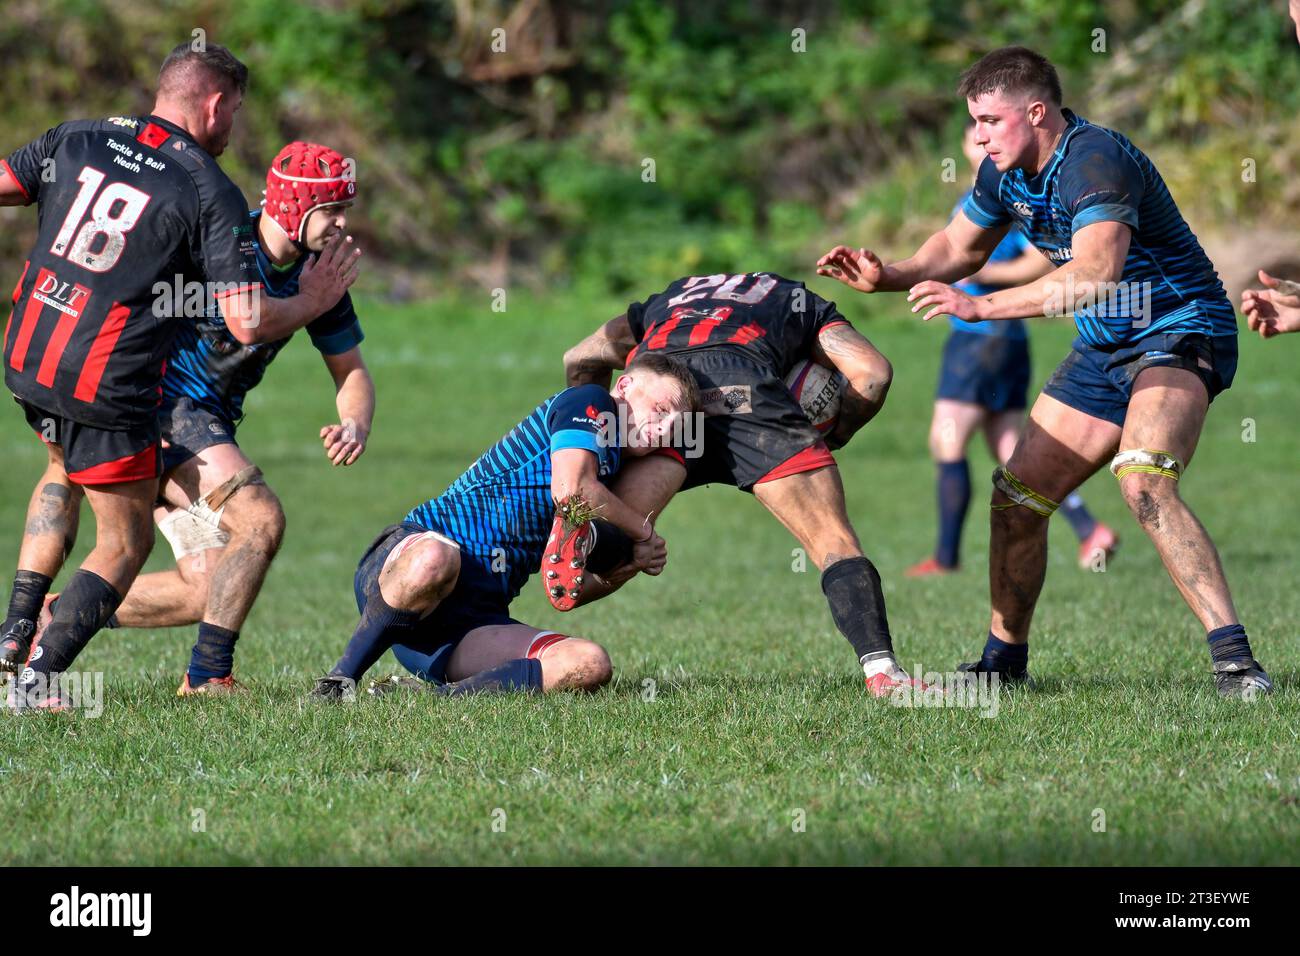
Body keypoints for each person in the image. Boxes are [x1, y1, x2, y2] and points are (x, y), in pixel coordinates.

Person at [817, 46, 1270, 697]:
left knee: (1144, 482)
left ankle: (1237, 664)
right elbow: (954, 247)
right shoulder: (1004, 174)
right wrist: (890, 275)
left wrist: (981, 306)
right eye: (973, 121)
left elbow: (1094, 273)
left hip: (1179, 331)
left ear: (1035, 112)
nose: (978, 135)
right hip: (1104, 349)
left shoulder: (1094, 160)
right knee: (1016, 498)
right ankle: (1004, 663)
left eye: (989, 121)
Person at [0, 43, 359, 709]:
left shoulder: (77, 135)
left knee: (83, 489)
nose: (234, 128)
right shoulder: (205, 188)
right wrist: (309, 301)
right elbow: (246, 321)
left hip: (27, 359)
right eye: (237, 113)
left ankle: (21, 627)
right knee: (127, 541)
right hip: (113, 385)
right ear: (216, 104)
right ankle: (36, 683)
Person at [562, 272, 928, 698]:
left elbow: (580, 357)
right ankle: (883, 672)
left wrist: (600, 451)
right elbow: (872, 374)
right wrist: (835, 435)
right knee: (832, 540)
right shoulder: (795, 298)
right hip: (746, 391)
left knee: (620, 525)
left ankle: (586, 540)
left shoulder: (672, 297)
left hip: (664, 397)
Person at [310, 353, 699, 700]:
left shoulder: (610, 477)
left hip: (467, 625)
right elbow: (572, 490)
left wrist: (627, 562)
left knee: (588, 663)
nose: (662, 430)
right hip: (407, 568)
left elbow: (566, 592)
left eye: (674, 426)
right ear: (625, 385)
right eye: (660, 410)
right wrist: (642, 532)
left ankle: (431, 699)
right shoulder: (590, 402)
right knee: (433, 559)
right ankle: (339, 681)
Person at [908, 120, 1117, 578]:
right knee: (1010, 449)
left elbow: (1042, 256)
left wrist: (982, 284)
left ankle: (945, 558)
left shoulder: (1012, 196)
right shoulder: (988, 197)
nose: (979, 141)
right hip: (1006, 339)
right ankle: (1088, 529)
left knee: (946, 439)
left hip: (981, 342)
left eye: (985, 130)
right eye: (971, 133)